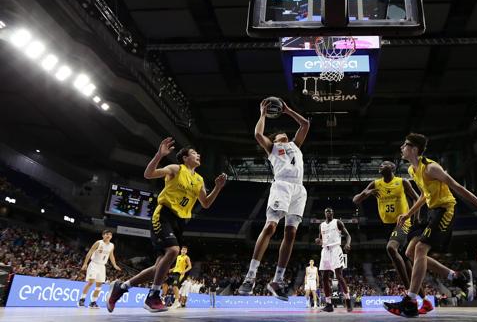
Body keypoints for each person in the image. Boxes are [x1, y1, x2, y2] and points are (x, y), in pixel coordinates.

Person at [384, 133, 477, 318]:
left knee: (421, 249)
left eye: (405, 145)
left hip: (445, 209)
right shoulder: (412, 170)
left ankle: (410, 301)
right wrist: (408, 213)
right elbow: (424, 194)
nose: (401, 148)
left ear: (414, 149)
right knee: (409, 253)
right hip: (432, 211)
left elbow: (457, 187)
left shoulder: (432, 168)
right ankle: (456, 276)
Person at [107, 138, 227, 313]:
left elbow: (206, 203)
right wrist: (159, 155)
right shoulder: (176, 169)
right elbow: (148, 174)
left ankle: (122, 287)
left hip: (179, 221)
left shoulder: (199, 180)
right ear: (185, 158)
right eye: (194, 153)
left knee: (159, 267)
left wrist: (218, 188)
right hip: (164, 214)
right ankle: (153, 296)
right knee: (173, 251)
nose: (198, 155)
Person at [238, 99, 310, 301]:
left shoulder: (296, 145)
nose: (285, 139)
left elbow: (305, 124)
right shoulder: (272, 148)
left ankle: (277, 280)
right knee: (270, 227)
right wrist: (262, 114)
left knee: (291, 233)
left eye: (286, 137)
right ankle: (250, 276)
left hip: (299, 189)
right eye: (281, 138)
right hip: (282, 185)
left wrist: (288, 111)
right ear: (276, 142)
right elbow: (258, 135)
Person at [316, 208, 353, 312]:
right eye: (327, 211)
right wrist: (318, 241)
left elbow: (348, 235)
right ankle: (329, 304)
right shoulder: (321, 225)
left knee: (339, 276)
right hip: (325, 251)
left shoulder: (337, 222)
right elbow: (320, 239)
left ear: (333, 213)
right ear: (324, 213)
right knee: (324, 277)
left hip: (336, 249)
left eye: (331, 211)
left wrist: (348, 244)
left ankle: (348, 301)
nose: (329, 213)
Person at [79, 229, 121, 308]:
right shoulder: (98, 243)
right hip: (94, 264)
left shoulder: (112, 245)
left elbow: (111, 255)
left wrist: (114, 265)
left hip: (102, 266)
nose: (108, 235)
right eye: (106, 234)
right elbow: (90, 252)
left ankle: (93, 302)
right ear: (103, 235)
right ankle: (81, 300)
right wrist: (85, 263)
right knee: (90, 282)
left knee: (99, 286)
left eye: (110, 234)